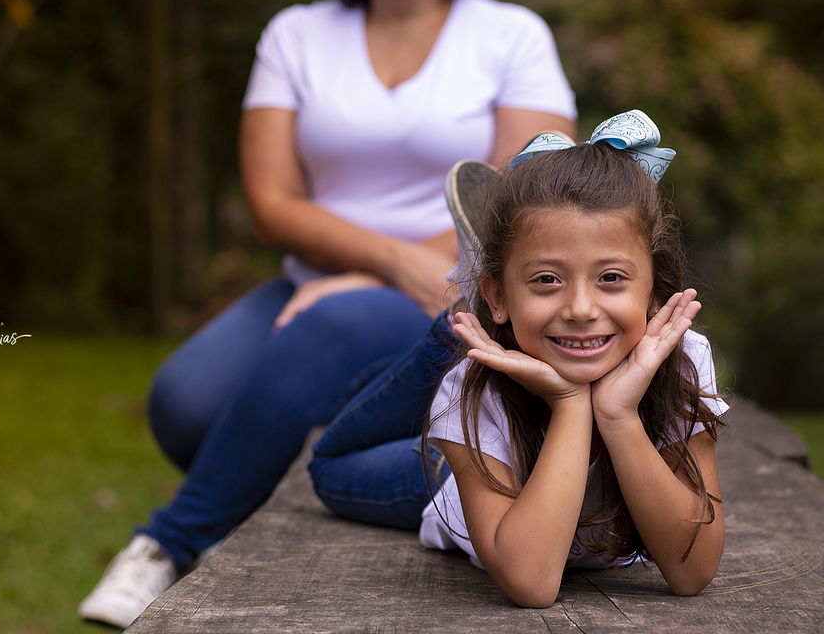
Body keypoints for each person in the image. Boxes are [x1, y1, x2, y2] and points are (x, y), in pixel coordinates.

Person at [78, 0, 577, 628]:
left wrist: (392, 281)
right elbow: (272, 202)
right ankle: (342, 442)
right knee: (185, 402)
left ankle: (168, 545)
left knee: (334, 323)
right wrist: (375, 263)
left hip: (459, 290)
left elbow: (527, 198)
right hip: (323, 278)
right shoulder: (296, 35)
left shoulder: (511, 35)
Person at [309, 111, 729, 607]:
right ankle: (459, 321)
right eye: (547, 279)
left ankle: (474, 310)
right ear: (501, 295)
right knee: (330, 465)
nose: (580, 309)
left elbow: (693, 571)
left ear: (655, 292)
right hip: (469, 477)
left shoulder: (680, 360)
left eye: (611, 277)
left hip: (502, 404)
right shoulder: (475, 389)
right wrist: (572, 405)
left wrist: (617, 415)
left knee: (489, 354)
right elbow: (531, 583)